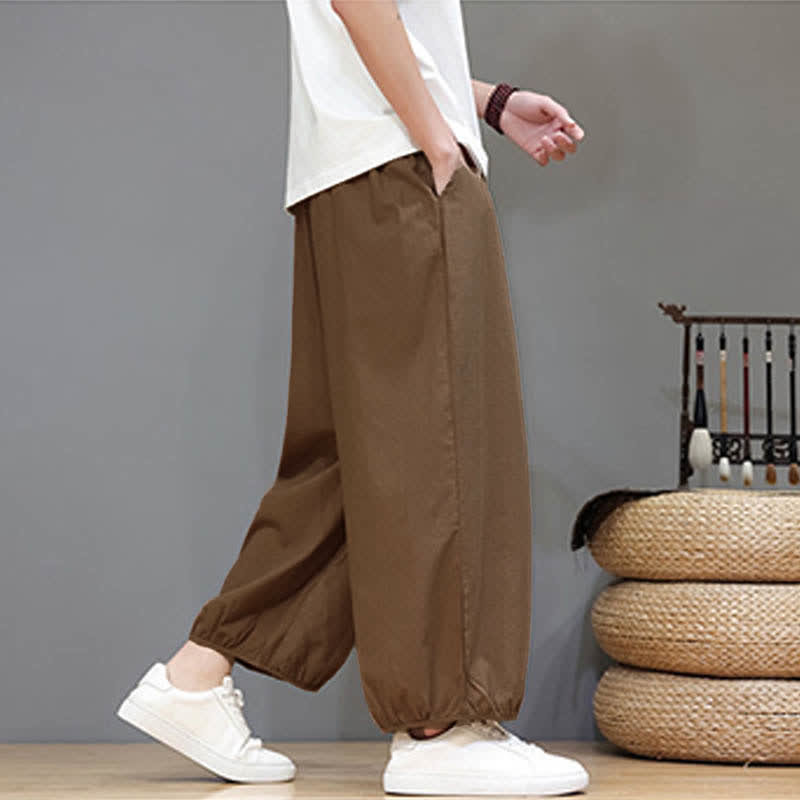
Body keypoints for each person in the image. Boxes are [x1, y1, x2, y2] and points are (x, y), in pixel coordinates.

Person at [117, 0, 589, 795]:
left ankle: (197, 674)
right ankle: (442, 725)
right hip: (399, 165)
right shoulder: (415, 153)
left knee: (359, 454)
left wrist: (486, 103)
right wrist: (435, 138)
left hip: (355, 170)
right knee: (439, 442)